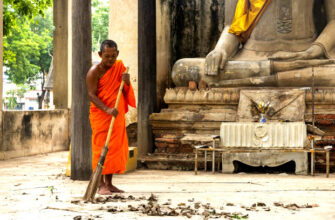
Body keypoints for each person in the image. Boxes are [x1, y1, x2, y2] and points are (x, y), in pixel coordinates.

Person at [172, 0, 335, 87]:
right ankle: (279, 77)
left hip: (304, 59)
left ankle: (266, 80)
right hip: (252, 61)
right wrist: (220, 50)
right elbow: (233, 26)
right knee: (183, 70)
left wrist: (315, 50)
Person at [86, 40, 136, 195]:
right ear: (100, 54)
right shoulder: (94, 72)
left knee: (113, 149)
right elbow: (91, 95)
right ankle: (100, 184)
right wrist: (106, 109)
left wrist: (126, 82)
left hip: (116, 115)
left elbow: (125, 92)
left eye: (113, 56)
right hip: (102, 115)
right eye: (107, 56)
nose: (110, 59)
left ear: (117, 54)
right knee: (100, 149)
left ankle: (109, 183)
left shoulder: (119, 68)